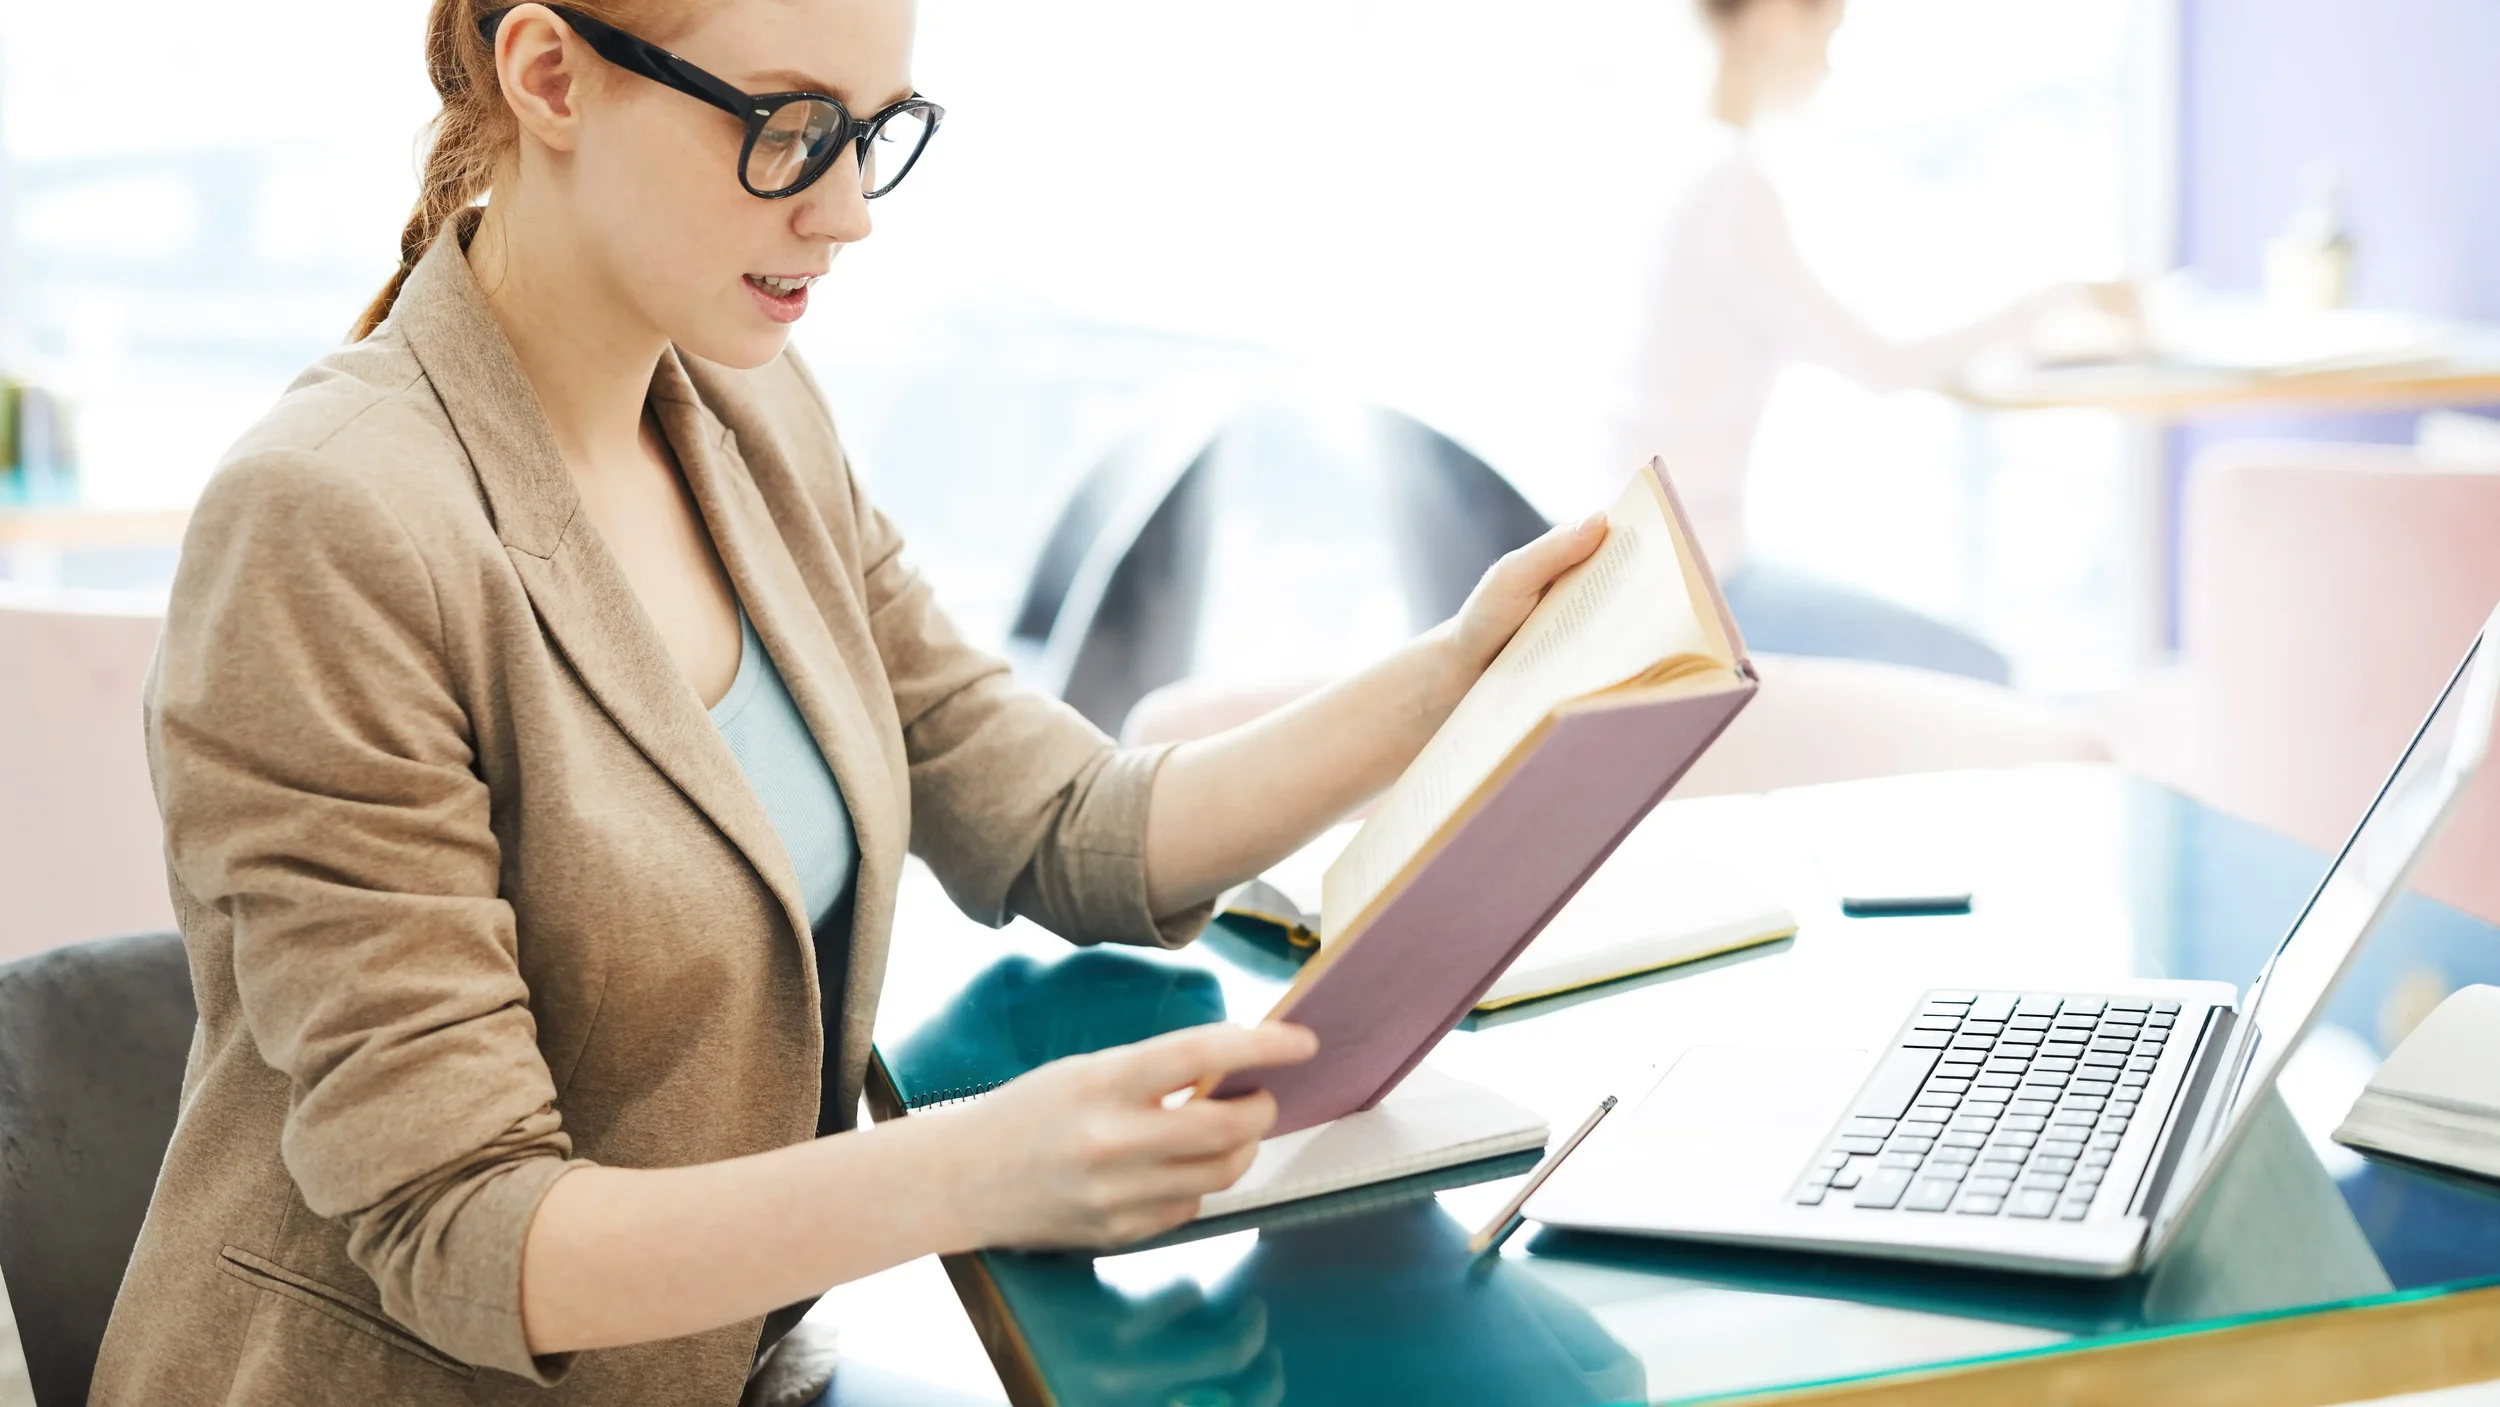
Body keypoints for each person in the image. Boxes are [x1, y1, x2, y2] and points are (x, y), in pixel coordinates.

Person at [87, 2, 1606, 1403]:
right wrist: (976, 1167)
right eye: (789, 128)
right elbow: (465, 1227)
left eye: (875, 130)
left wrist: (1453, 677)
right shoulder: (330, 522)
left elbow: (1071, 823)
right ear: (549, 75)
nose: (850, 209)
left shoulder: (753, 409)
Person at [1612, 0, 2133, 685]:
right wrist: (2057, 300)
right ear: (1774, 18)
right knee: (1983, 671)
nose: (1830, 60)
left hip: (1650, 575)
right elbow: (1881, 365)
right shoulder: (1731, 190)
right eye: (1828, 31)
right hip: (1700, 588)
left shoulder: (1677, 161)